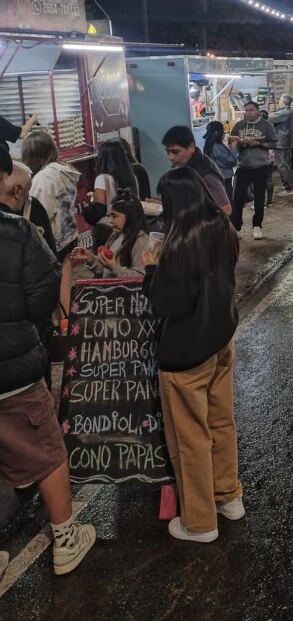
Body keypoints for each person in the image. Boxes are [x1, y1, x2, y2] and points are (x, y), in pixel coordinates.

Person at [0, 145, 96, 575]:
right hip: (13, 372)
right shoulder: (17, 232)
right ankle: (66, 541)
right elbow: (43, 298)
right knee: (49, 452)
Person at [142, 167, 243, 544]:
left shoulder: (177, 247)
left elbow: (166, 304)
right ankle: (228, 496)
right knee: (220, 422)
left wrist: (151, 270)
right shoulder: (221, 226)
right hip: (221, 341)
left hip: (185, 355)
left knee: (190, 439)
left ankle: (200, 522)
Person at [22, 129, 80, 312]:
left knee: (55, 301)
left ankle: (58, 331)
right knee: (65, 293)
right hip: (68, 237)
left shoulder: (43, 178)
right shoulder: (64, 172)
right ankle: (64, 328)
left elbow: (38, 212)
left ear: (34, 156)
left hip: (53, 242)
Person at [228, 101, 277, 239]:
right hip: (243, 166)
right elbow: (232, 142)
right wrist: (239, 143)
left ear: (257, 111)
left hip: (260, 166)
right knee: (238, 197)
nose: (248, 112)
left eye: (251, 110)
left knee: (259, 197)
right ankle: (236, 227)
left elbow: (274, 143)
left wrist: (260, 144)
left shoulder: (266, 125)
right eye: (247, 110)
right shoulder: (239, 125)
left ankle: (257, 226)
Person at [71, 193, 150, 278]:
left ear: (130, 216)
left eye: (114, 216)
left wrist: (115, 268)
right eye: (109, 216)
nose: (110, 221)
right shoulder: (115, 235)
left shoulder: (141, 240)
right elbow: (104, 268)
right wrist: (90, 258)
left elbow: (141, 277)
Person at [161, 126, 232, 216]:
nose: (170, 157)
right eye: (168, 152)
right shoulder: (185, 164)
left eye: (175, 152)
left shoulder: (205, 174)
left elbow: (226, 209)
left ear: (191, 147)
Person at [0, 159, 56, 253]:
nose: (28, 194)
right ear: (17, 190)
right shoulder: (34, 208)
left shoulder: (33, 207)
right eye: (28, 188)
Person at [203, 121, 237, 200]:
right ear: (216, 133)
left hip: (217, 177)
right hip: (223, 177)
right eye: (222, 131)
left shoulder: (209, 144)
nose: (224, 133)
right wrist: (234, 147)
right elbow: (232, 161)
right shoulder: (217, 147)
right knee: (227, 200)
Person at [269, 95, 293, 196]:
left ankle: (288, 188)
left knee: (282, 166)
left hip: (282, 144)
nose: (278, 102)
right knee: (286, 165)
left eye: (279, 100)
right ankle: (289, 185)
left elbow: (269, 117)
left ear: (284, 102)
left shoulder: (285, 112)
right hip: (285, 143)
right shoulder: (287, 112)